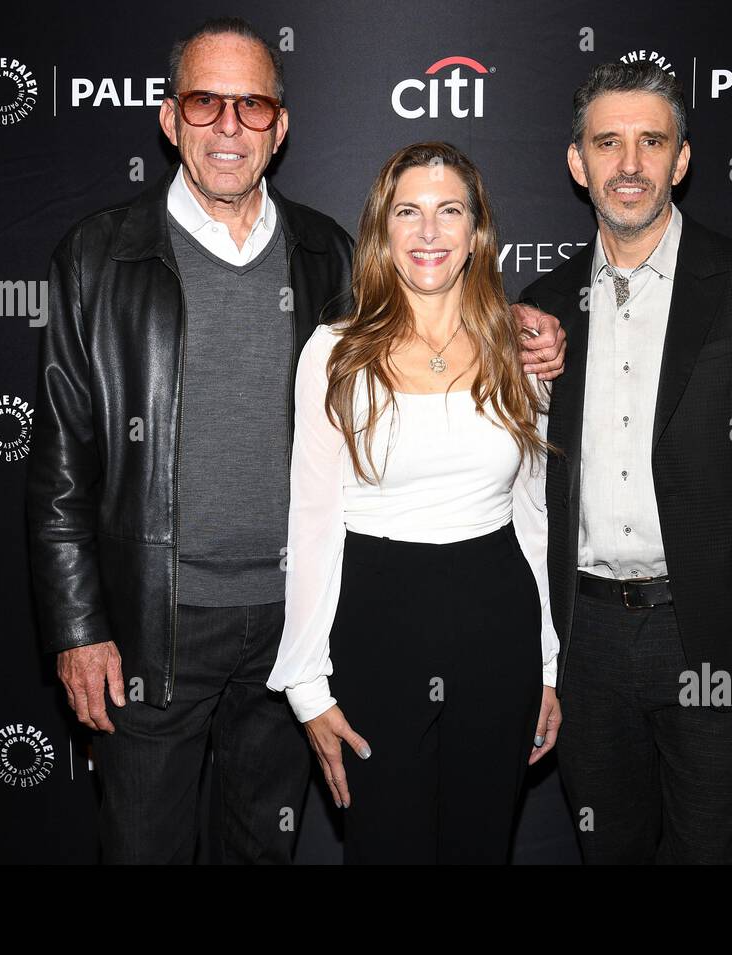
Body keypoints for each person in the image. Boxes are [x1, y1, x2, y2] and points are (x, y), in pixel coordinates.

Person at [25, 17, 566, 864]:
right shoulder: (97, 257)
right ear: (170, 121)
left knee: (263, 850)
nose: (230, 126)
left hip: (290, 620)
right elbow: (60, 462)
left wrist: (524, 328)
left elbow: (427, 316)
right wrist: (77, 624)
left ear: (281, 127)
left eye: (253, 105)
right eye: (206, 103)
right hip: (150, 622)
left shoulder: (326, 255)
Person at [517, 61, 732, 864]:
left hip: (713, 637)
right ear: (577, 163)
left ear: (681, 160)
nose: (629, 164)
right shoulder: (540, 310)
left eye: (651, 141)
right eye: (607, 142)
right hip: (585, 642)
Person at [266, 141, 564, 864]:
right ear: (382, 228)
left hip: (499, 631)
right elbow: (311, 521)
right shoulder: (334, 352)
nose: (429, 232)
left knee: (480, 847)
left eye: (449, 211)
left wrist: (549, 661)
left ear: (477, 232)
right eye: (409, 212)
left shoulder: (518, 352)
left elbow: (533, 513)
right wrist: (306, 684)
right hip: (376, 632)